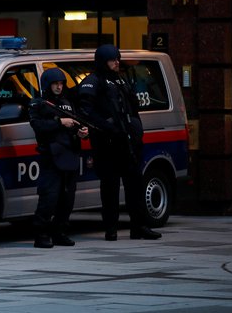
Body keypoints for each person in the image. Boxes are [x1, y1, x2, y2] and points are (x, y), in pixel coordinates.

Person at [78, 44, 162, 241]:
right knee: (110, 188)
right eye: (112, 59)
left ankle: (139, 227)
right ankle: (111, 228)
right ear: (102, 61)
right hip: (107, 144)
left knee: (135, 184)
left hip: (127, 142)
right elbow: (86, 112)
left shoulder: (120, 80)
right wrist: (107, 127)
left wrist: (134, 130)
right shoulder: (93, 81)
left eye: (117, 58)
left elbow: (131, 109)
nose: (116, 62)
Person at [28, 68, 88, 248]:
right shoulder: (38, 104)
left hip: (69, 154)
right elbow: (37, 125)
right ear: (48, 84)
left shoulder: (68, 102)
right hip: (51, 156)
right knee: (49, 197)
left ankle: (60, 232)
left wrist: (82, 132)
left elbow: (78, 122)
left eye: (61, 83)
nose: (59, 87)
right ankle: (41, 234)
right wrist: (59, 122)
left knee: (67, 198)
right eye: (55, 84)